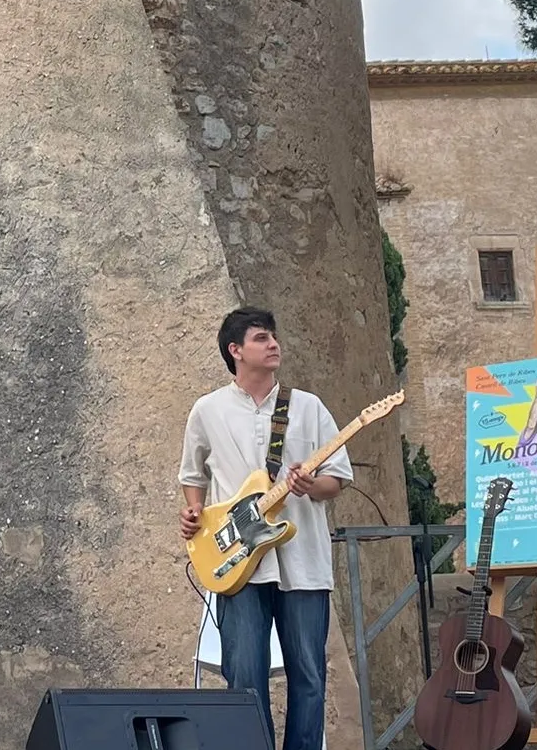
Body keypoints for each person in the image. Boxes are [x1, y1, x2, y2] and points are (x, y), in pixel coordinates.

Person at [178, 306, 353, 750]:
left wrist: (312, 484)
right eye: (261, 338)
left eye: (273, 336)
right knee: (244, 678)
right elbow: (192, 475)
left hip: (303, 560)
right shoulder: (207, 410)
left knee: (309, 675)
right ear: (236, 351)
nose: (273, 344)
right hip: (237, 564)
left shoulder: (308, 407)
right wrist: (194, 513)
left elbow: (337, 480)